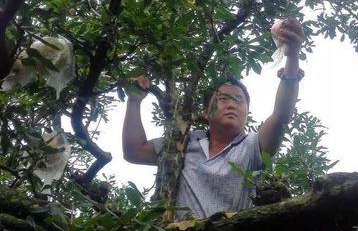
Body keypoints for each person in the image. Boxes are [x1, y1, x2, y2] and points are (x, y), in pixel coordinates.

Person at [122, 18, 305, 218]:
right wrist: (134, 102)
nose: (231, 104)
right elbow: (134, 151)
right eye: (222, 98)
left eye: (239, 100)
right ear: (206, 111)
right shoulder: (184, 141)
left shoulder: (252, 147)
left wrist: (292, 56)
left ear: (246, 112)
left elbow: (281, 116)